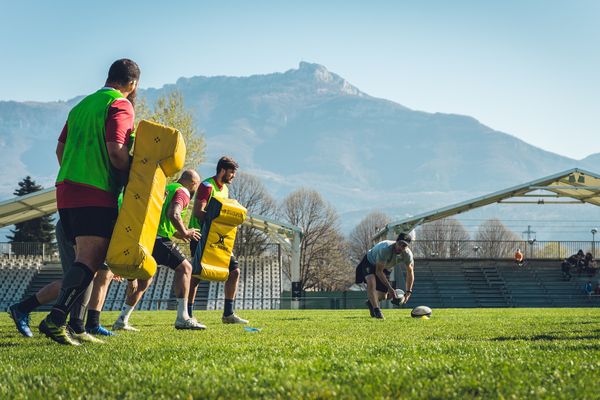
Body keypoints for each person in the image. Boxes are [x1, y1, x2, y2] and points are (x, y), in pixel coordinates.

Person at [39, 59, 140, 345]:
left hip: (66, 189)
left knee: (86, 260)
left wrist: (76, 171)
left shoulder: (80, 107)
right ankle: (56, 320)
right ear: (132, 84)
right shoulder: (120, 105)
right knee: (90, 259)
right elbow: (117, 153)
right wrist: (137, 174)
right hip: (95, 191)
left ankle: (76, 327)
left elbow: (60, 149)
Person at [126, 169, 206, 330]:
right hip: (158, 238)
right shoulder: (183, 191)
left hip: (148, 237)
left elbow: (162, 217)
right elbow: (174, 214)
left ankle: (122, 319)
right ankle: (183, 317)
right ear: (194, 183)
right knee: (185, 268)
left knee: (145, 280)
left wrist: (177, 232)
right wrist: (185, 231)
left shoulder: (168, 188)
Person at [187, 156, 248, 324]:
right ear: (222, 170)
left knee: (234, 271)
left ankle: (228, 314)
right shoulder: (207, 186)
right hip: (201, 236)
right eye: (232, 172)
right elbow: (199, 212)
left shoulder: (225, 190)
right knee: (197, 275)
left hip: (218, 238)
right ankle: (188, 314)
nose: (233, 175)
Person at [354, 232, 415, 319]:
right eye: (400, 244)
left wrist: (408, 291)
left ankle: (371, 302)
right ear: (396, 242)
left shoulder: (408, 255)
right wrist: (390, 288)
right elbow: (378, 271)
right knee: (371, 282)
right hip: (369, 262)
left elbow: (410, 272)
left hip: (384, 267)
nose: (400, 248)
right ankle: (377, 311)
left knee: (384, 296)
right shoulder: (385, 249)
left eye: (404, 246)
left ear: (407, 247)